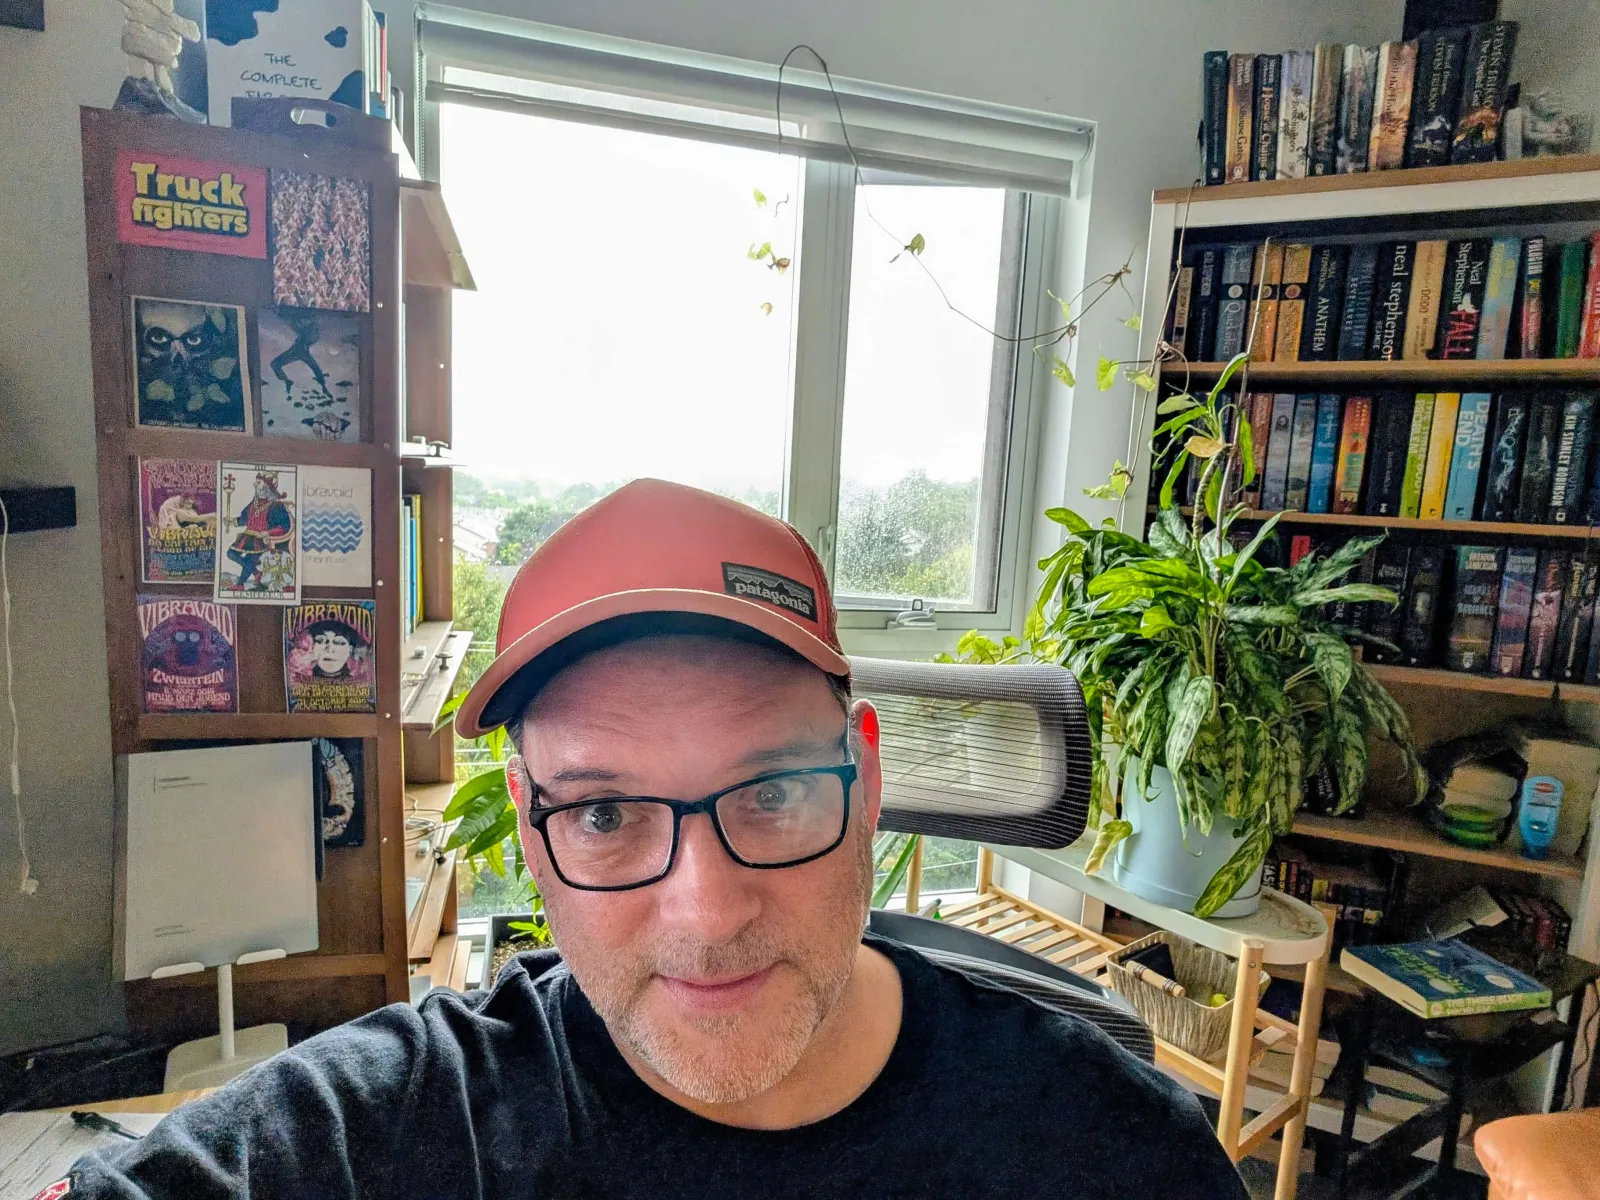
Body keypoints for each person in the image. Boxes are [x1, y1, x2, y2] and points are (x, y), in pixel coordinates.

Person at [66, 480, 1246, 1199]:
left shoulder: (1101, 1145)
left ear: (868, 780)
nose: (705, 912)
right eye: (605, 814)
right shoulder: (406, 1128)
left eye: (773, 793)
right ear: (531, 837)